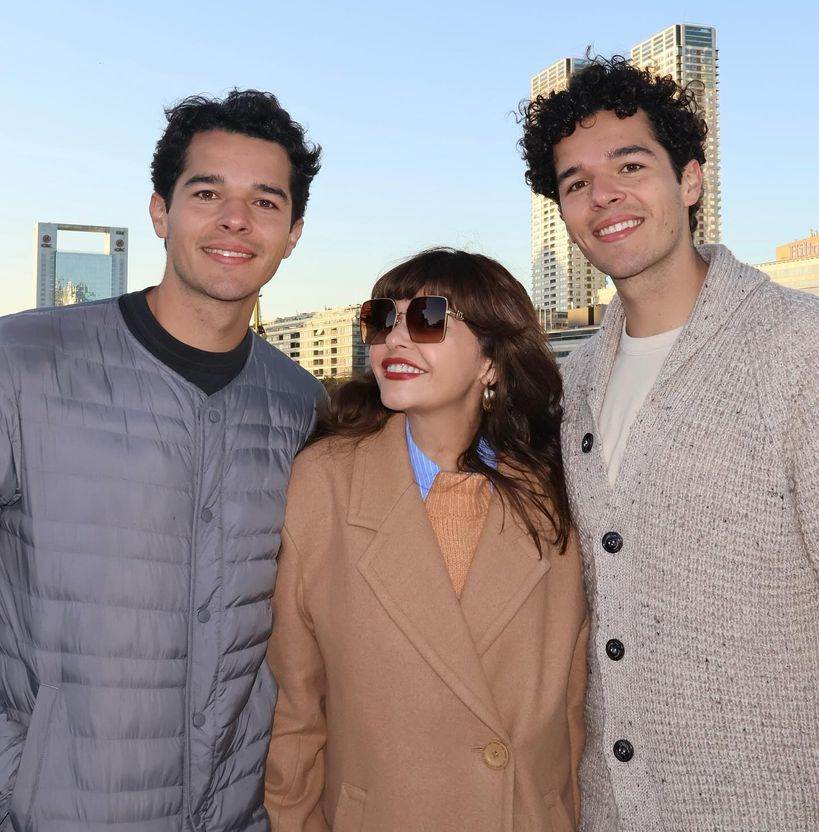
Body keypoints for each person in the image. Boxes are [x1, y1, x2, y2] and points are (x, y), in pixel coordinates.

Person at [0, 90, 325, 832]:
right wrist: (15, 772)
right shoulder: (24, 361)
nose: (235, 220)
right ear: (160, 212)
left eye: (265, 202)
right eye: (207, 193)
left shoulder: (301, 406)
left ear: (293, 233)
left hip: (236, 813)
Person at [519, 57, 819, 831]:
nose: (602, 196)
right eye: (575, 183)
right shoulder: (573, 384)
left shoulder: (798, 349)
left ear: (689, 180)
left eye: (629, 166)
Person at [264, 248, 589, 832]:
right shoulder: (324, 483)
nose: (394, 338)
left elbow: (573, 706)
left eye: (428, 318)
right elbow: (295, 705)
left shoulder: (557, 495)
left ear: (491, 360)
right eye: (381, 318)